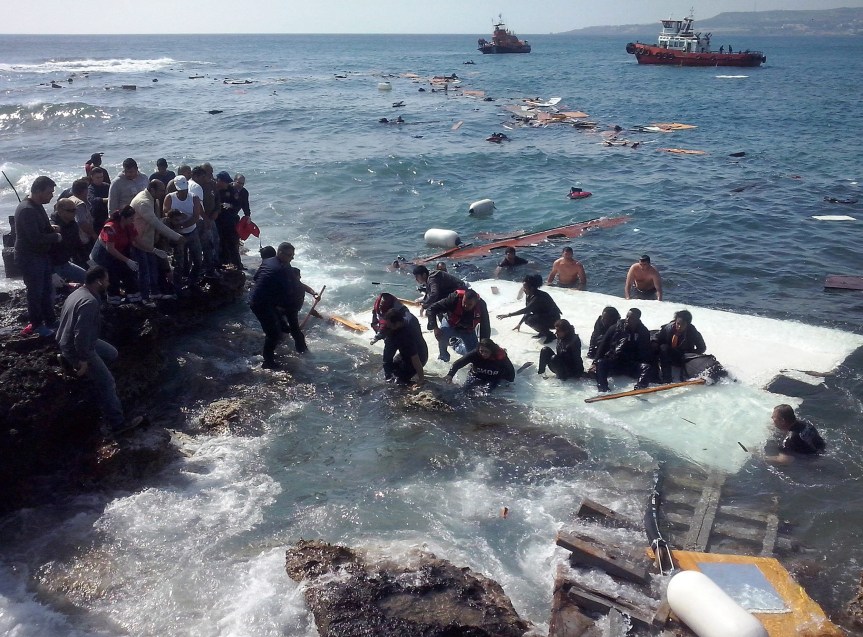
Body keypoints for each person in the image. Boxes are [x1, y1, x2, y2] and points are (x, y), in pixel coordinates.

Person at [56, 265, 142, 435]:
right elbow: (81, 335)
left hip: (71, 339)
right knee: (108, 382)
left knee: (112, 353)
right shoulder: (90, 302)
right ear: (98, 281)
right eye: (107, 280)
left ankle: (87, 369)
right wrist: (83, 359)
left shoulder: (79, 292)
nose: (109, 283)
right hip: (78, 346)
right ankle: (118, 423)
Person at [248, 242, 319, 367]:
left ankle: (300, 349)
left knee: (286, 328)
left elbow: (256, 278)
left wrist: (312, 292)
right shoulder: (280, 269)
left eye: (293, 255)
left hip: (267, 301)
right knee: (273, 334)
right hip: (262, 304)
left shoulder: (270, 262)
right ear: (280, 253)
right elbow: (291, 288)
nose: (292, 258)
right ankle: (268, 362)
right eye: (289, 255)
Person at [14, 176, 62, 337]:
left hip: (42, 256)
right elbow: (35, 238)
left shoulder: (38, 205)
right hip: (29, 257)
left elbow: (44, 228)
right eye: (49, 192)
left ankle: (50, 320)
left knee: (47, 290)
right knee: (35, 293)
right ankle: (37, 324)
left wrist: (52, 228)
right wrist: (55, 237)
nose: (51, 196)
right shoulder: (27, 209)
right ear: (38, 191)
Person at [131, 179, 184, 305]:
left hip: (149, 240)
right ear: (152, 189)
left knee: (152, 266)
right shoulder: (143, 202)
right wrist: (177, 237)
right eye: (161, 190)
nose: (163, 193)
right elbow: (155, 222)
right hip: (139, 241)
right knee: (143, 270)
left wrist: (156, 236)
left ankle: (154, 292)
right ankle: (144, 297)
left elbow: (156, 223)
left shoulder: (154, 199)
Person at [593, 308, 654, 392]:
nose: (628, 320)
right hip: (615, 361)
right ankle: (602, 387)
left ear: (637, 319)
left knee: (646, 367)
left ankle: (640, 387)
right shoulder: (615, 328)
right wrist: (595, 362)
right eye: (627, 317)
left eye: (631, 318)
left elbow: (646, 350)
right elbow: (603, 345)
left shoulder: (643, 331)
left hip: (631, 364)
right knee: (601, 363)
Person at [90, 206, 141, 305]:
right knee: (112, 278)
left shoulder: (129, 227)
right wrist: (127, 261)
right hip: (103, 257)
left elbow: (138, 241)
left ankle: (134, 300)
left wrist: (153, 250)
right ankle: (113, 303)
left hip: (119, 254)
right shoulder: (110, 227)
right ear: (123, 218)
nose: (133, 221)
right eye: (131, 218)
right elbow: (110, 249)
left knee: (130, 275)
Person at [427, 288, 491, 362]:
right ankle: (443, 356)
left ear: (475, 303)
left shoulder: (481, 306)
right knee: (441, 335)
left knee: (474, 355)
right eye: (464, 302)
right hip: (450, 325)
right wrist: (435, 328)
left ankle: (456, 345)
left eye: (470, 304)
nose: (466, 306)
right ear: (463, 298)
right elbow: (431, 309)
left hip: (468, 330)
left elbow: (485, 326)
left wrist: (484, 345)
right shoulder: (454, 298)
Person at [163, 175, 203, 290]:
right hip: (177, 234)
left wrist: (181, 224)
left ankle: (192, 281)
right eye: (180, 189)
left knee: (197, 258)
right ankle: (177, 285)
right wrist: (176, 217)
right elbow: (166, 213)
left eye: (184, 189)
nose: (183, 191)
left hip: (191, 231)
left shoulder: (193, 198)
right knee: (179, 261)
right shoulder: (170, 198)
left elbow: (196, 217)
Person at [497, 274, 561, 344]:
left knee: (530, 320)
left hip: (554, 320)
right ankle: (543, 332)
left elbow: (526, 310)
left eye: (525, 287)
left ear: (532, 288)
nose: (523, 289)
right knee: (527, 318)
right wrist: (519, 324)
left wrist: (508, 315)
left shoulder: (539, 297)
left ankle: (550, 335)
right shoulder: (529, 295)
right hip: (544, 317)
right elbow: (527, 311)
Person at [443, 338, 515, 395]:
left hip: (492, 379)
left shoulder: (500, 357)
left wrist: (508, 384)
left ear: (492, 351)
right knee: (464, 391)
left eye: (486, 351)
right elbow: (459, 363)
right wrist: (450, 375)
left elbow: (511, 371)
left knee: (484, 393)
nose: (483, 354)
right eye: (481, 351)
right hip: (476, 376)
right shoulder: (475, 354)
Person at [653, 309, 706, 383]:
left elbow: (702, 348)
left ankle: (672, 379)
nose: (679, 326)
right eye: (678, 323)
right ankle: (664, 377)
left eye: (683, 324)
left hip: (684, 356)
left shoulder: (693, 332)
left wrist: (690, 354)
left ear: (688, 324)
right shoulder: (668, 328)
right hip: (668, 354)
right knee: (662, 347)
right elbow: (656, 338)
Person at [378, 307, 427, 386]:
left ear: (397, 323)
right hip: (404, 353)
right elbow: (387, 358)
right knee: (388, 371)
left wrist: (421, 379)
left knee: (399, 381)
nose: (388, 327)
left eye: (390, 325)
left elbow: (415, 358)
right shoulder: (407, 316)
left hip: (420, 355)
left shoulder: (406, 335)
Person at [49, 198, 86, 285]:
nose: (75, 213)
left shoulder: (73, 225)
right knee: (55, 288)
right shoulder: (52, 227)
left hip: (65, 264)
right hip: (52, 267)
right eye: (71, 210)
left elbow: (78, 245)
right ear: (61, 211)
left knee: (88, 278)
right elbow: (46, 253)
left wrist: (88, 263)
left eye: (75, 210)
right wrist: (52, 273)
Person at [214, 170, 242, 269]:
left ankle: (237, 263)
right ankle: (219, 263)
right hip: (217, 220)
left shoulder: (231, 190)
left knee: (232, 242)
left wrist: (230, 205)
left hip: (229, 219)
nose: (227, 184)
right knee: (218, 242)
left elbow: (238, 204)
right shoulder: (213, 188)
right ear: (220, 181)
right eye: (225, 182)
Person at [87, 167, 110, 234]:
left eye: (101, 177)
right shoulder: (90, 188)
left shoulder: (107, 186)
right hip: (97, 217)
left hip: (108, 214)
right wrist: (105, 200)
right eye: (97, 177)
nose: (100, 179)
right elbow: (92, 200)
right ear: (92, 177)